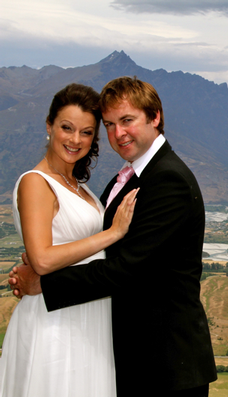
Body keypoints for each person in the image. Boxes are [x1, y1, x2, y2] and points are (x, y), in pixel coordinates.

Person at [10, 76, 218, 396]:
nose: (117, 133)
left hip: (164, 364)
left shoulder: (167, 181)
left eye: (127, 120)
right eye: (108, 124)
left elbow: (127, 269)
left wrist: (43, 282)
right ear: (49, 126)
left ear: (155, 117)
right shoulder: (132, 177)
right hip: (120, 350)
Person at [0, 83, 138, 396]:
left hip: (89, 317)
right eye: (67, 128)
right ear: (49, 127)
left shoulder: (81, 187)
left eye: (86, 132)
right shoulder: (36, 183)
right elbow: (43, 259)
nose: (75, 140)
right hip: (54, 324)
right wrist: (112, 233)